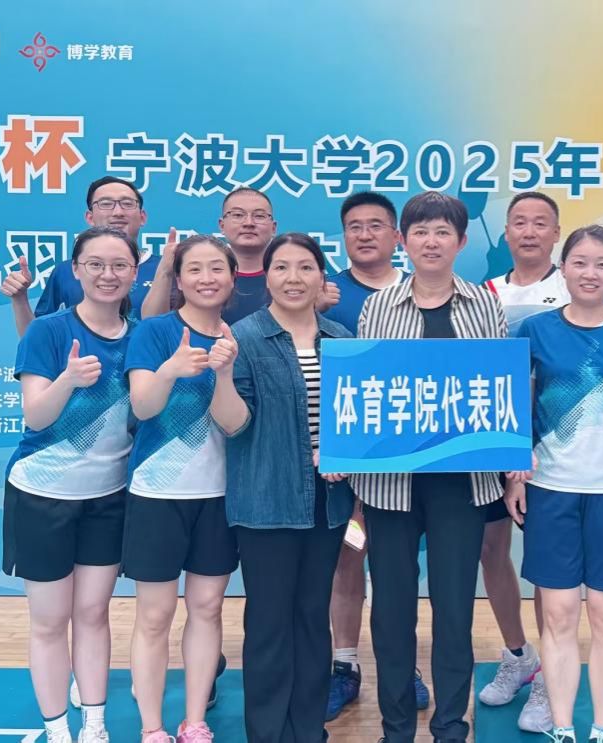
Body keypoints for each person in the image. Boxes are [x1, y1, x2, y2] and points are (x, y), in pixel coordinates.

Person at [351, 192, 507, 743]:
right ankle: (395, 729)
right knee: (391, 611)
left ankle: (450, 727)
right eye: (420, 232)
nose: (431, 242)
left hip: (460, 483)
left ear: (461, 242)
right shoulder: (378, 307)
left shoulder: (485, 305)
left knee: (454, 609)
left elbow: (498, 387)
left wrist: (511, 460)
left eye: (443, 232)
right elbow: (366, 390)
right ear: (403, 241)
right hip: (390, 483)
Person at [505, 225, 603, 743]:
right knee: (556, 615)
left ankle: (601, 730)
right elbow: (515, 405)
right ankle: (561, 728)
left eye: (602, 264)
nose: (590, 273)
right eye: (579, 262)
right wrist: (515, 473)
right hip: (551, 488)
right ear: (563, 268)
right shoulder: (534, 330)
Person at [210, 233, 354, 743]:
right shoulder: (243, 338)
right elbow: (234, 424)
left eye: (306, 267)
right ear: (265, 277)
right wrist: (222, 375)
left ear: (321, 277)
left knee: (313, 617)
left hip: (328, 503)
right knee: (270, 621)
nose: (294, 278)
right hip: (265, 499)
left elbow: (354, 419)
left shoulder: (341, 338)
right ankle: (268, 732)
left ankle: (309, 729)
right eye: (282, 267)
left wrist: (343, 455)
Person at [2, 227, 141, 743]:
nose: (108, 275)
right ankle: (57, 728)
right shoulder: (49, 331)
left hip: (108, 497)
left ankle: (94, 724)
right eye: (95, 264)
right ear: (76, 270)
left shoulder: (141, 335)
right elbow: (36, 416)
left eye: (119, 265)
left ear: (134, 272)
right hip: (42, 495)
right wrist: (68, 379)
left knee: (93, 613)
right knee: (49, 620)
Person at [318, 191, 431, 721]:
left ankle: (401, 665)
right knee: (349, 557)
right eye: (354, 226)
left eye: (376, 225)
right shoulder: (325, 293)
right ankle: (344, 665)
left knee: (396, 567)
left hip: (406, 461)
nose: (364, 235)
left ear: (397, 237)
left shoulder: (422, 290)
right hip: (344, 460)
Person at [123, 236, 241, 743]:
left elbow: (235, 424)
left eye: (217, 268)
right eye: (195, 269)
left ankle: (194, 721)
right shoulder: (154, 332)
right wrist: (172, 368)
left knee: (208, 608)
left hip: (218, 496)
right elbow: (143, 407)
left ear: (233, 277)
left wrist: (224, 371)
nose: (206, 278)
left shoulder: (240, 337)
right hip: (156, 494)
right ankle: (152, 726)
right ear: (178, 277)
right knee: (155, 615)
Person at [477, 191, 566, 731]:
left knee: (546, 567)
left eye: (540, 223)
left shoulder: (572, 286)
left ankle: (550, 681)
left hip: (551, 448)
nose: (529, 231)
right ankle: (518, 655)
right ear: (506, 233)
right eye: (519, 223)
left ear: (556, 233)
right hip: (493, 445)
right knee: (492, 551)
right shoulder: (485, 294)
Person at [1, 176, 162, 336]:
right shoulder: (65, 271)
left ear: (142, 217)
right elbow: (37, 340)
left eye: (127, 204)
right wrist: (20, 299)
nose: (118, 212)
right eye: (106, 204)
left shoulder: (165, 269)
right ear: (90, 217)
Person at [141, 187, 277, 323]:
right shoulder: (196, 276)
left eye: (259, 216)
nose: (248, 223)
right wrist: (165, 271)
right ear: (222, 226)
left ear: (273, 228)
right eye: (237, 215)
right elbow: (151, 324)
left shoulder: (283, 276)